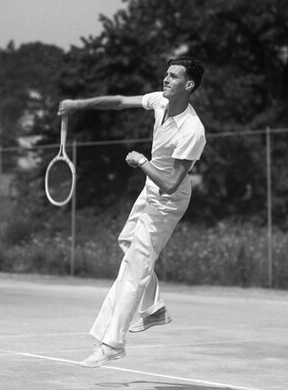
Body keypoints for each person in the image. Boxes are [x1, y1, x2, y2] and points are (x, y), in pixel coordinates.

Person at [58, 57, 206, 367]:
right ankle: (153, 309)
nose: (165, 79)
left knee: (135, 267)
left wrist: (141, 161)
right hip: (151, 188)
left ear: (189, 85)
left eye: (173, 76)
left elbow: (170, 184)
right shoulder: (159, 102)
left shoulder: (193, 130)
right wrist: (79, 105)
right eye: (166, 74)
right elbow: (120, 102)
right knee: (127, 242)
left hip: (169, 200)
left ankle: (112, 343)